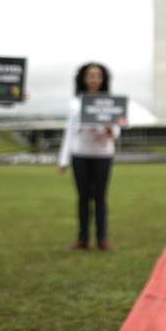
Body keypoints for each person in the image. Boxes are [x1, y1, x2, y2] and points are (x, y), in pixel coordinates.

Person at [58, 62, 120, 251]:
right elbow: (69, 132)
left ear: (103, 79)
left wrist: (110, 129)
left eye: (98, 75)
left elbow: (117, 131)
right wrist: (64, 159)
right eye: (90, 75)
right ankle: (82, 239)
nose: (94, 79)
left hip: (103, 155)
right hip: (80, 155)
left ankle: (102, 239)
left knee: (100, 198)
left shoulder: (110, 102)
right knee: (83, 198)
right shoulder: (76, 103)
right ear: (83, 79)